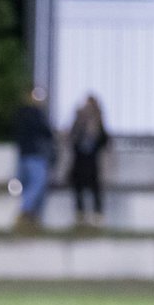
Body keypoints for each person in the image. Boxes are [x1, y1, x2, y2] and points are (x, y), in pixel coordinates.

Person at [12, 88, 56, 234]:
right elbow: (46, 132)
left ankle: (32, 217)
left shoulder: (22, 114)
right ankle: (26, 212)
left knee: (35, 185)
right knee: (38, 183)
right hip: (34, 154)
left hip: (26, 154)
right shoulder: (33, 114)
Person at [68, 95, 109, 226]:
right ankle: (80, 214)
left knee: (95, 187)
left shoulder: (98, 122)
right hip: (80, 160)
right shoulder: (79, 121)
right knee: (78, 186)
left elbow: (104, 141)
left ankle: (97, 213)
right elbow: (72, 138)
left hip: (92, 161)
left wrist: (95, 133)